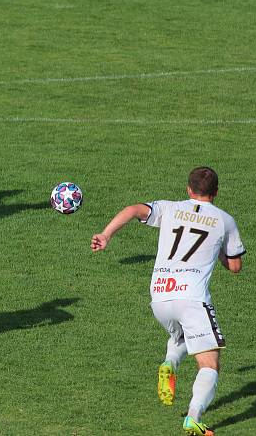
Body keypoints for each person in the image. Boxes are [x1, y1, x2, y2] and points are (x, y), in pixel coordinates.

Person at [91, 167, 245, 436]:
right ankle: (193, 418)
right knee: (209, 363)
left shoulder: (169, 208)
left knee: (182, 337)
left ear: (188, 189)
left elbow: (132, 209)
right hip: (192, 298)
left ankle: (170, 363)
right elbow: (234, 266)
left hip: (160, 296)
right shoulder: (224, 221)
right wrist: (219, 250)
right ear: (216, 192)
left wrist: (106, 235)